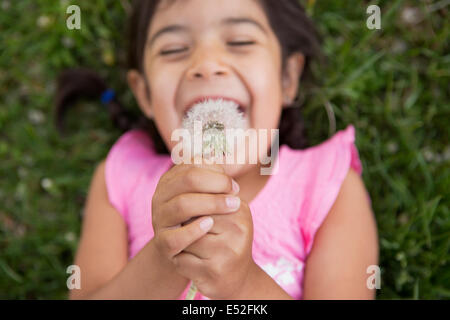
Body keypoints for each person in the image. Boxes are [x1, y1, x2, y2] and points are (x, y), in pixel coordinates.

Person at [56, 0, 378, 300]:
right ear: (144, 93)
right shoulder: (121, 178)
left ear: (287, 78)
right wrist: (165, 258)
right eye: (174, 49)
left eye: (240, 42)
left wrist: (244, 283)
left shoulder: (326, 185)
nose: (207, 65)